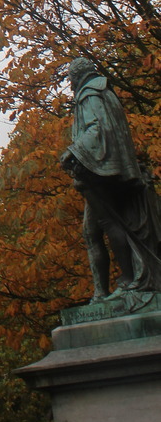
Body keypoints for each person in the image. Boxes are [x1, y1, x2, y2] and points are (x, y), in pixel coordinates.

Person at [60, 57, 161, 297]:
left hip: (100, 171)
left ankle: (127, 280)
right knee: (91, 231)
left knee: (109, 223)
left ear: (77, 76)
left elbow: (97, 130)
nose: (71, 84)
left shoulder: (90, 95)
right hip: (112, 167)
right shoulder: (105, 92)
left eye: (71, 78)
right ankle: (100, 294)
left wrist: (72, 152)